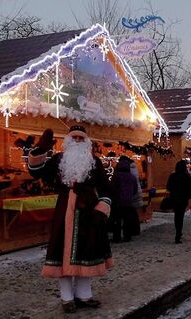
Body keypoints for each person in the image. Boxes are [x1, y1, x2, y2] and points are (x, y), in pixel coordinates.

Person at [28, 126, 112, 313]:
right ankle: (67, 298)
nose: (77, 141)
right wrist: (40, 150)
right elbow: (36, 172)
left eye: (80, 138)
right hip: (64, 209)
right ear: (67, 140)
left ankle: (84, 295)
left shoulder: (95, 162)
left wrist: (102, 207)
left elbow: (106, 188)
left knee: (87, 252)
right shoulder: (58, 160)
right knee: (61, 252)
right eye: (73, 137)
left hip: (89, 211)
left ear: (86, 142)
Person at [110, 157, 138, 243]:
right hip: (128, 202)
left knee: (117, 221)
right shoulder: (132, 177)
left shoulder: (116, 176)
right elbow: (135, 189)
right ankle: (127, 236)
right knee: (127, 221)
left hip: (118, 202)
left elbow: (112, 188)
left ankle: (117, 237)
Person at [166, 160, 191, 244]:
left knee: (177, 216)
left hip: (174, 198)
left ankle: (178, 232)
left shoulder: (173, 176)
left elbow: (168, 187)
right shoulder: (186, 176)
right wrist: (188, 196)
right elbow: (190, 188)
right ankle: (178, 233)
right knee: (180, 216)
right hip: (183, 199)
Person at [128, 159, 143, 237]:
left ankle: (133, 230)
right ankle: (136, 230)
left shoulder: (129, 170)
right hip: (136, 193)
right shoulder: (135, 169)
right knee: (134, 213)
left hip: (132, 194)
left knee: (131, 213)